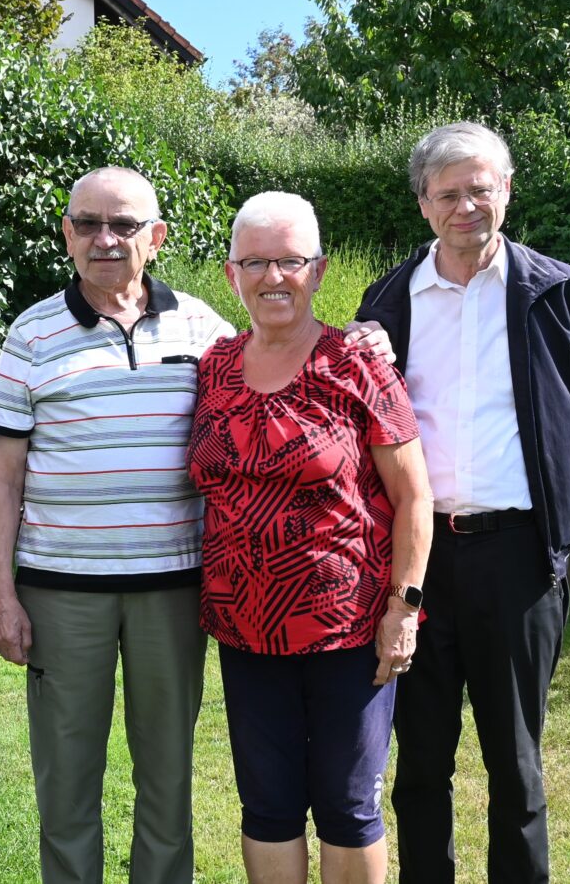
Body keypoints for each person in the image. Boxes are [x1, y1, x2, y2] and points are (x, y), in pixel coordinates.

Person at [0, 168, 394, 884]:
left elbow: (278, 352)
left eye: (124, 224)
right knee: (66, 778)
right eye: (87, 223)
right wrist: (0, 594)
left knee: (167, 779)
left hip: (173, 589)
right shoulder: (31, 332)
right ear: (67, 234)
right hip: (62, 589)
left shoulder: (203, 329)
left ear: (157, 237)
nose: (105, 239)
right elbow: (3, 475)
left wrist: (365, 339)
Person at [356, 122, 570, 883]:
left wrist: (555, 527)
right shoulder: (387, 300)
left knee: (516, 764)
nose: (466, 206)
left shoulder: (555, 290)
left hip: (517, 558)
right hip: (418, 559)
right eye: (448, 193)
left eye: (480, 189)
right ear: (424, 204)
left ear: (507, 191)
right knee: (421, 762)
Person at [188, 191, 433, 884]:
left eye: (290, 261)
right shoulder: (213, 368)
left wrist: (403, 609)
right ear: (232, 273)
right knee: (267, 806)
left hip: (349, 632)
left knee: (349, 807)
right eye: (255, 262)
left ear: (318, 271)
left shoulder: (358, 365)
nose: (273, 277)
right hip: (244, 628)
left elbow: (414, 495)